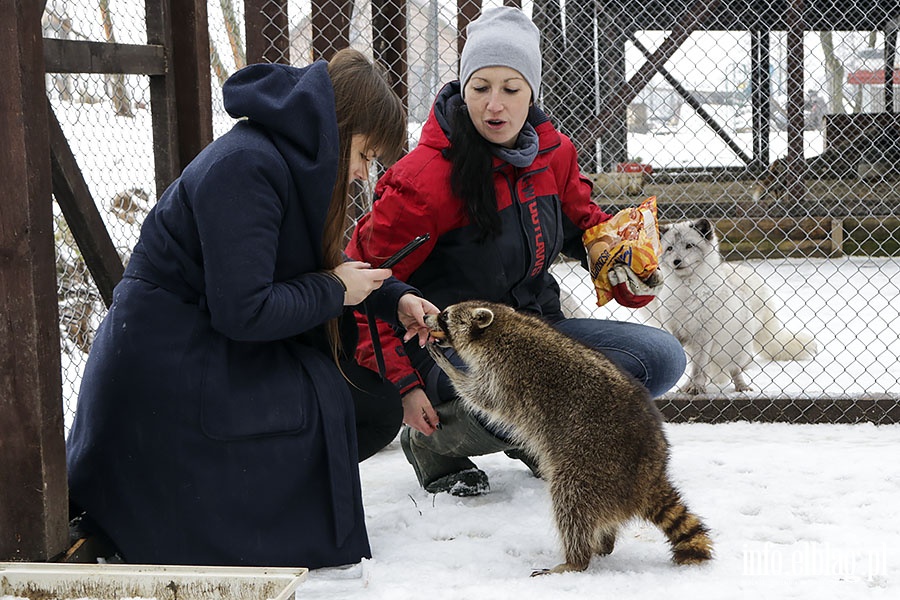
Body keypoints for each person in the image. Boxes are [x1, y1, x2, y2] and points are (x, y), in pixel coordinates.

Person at [65, 48, 438, 568]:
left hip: (206, 350)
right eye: (364, 154)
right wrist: (333, 291)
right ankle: (218, 517)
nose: (361, 174)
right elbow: (245, 311)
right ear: (338, 127)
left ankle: (254, 504)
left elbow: (325, 266)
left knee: (367, 400)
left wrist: (393, 297)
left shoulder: (286, 160)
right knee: (346, 401)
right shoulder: (247, 167)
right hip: (169, 371)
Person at [346, 7, 686, 497]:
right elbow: (368, 285)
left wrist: (623, 263)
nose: (495, 105)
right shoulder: (422, 181)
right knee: (538, 389)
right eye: (481, 87)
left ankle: (533, 433)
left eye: (511, 88)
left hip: (536, 331)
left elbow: (586, 226)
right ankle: (434, 444)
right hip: (451, 348)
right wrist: (404, 385)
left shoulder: (553, 155)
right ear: (463, 90)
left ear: (532, 93)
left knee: (659, 359)